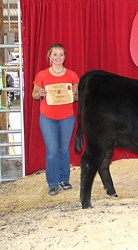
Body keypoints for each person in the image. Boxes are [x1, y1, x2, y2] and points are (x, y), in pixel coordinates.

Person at [32, 44, 79, 195]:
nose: (58, 58)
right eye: (55, 54)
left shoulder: (72, 75)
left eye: (61, 55)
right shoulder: (42, 75)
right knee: (52, 151)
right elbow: (33, 95)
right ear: (49, 57)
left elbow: (77, 98)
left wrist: (76, 92)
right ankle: (53, 183)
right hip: (47, 118)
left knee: (64, 150)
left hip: (67, 117)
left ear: (65, 57)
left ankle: (64, 179)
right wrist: (39, 92)